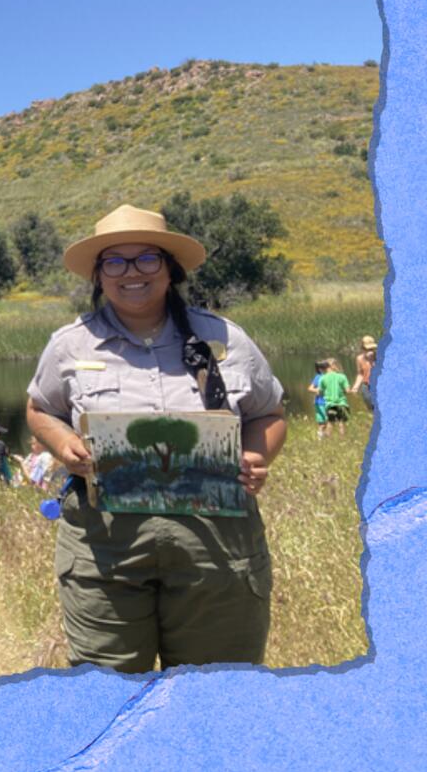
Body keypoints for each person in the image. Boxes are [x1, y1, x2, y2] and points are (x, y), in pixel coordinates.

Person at [26, 204, 285, 672]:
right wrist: (63, 446)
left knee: (216, 689)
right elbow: (41, 409)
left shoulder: (226, 337)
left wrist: (254, 453)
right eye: (115, 262)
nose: (132, 273)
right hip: (105, 550)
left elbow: (269, 412)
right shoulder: (69, 344)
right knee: (107, 694)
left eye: (147, 259)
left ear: (170, 269)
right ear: (99, 276)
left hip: (218, 547)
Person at [320, 358, 350, 436]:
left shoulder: (323, 378)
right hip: (342, 404)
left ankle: (328, 441)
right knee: (341, 423)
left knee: (330, 423)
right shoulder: (342, 377)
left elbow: (319, 391)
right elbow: (347, 390)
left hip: (330, 405)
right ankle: (342, 439)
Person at [352, 335, 378, 411]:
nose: (370, 351)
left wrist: (372, 360)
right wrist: (355, 387)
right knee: (369, 402)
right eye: (368, 349)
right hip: (366, 385)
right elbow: (360, 374)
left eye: (372, 349)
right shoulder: (359, 358)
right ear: (363, 349)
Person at [308, 359, 330, 440]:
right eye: (325, 367)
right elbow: (310, 388)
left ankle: (323, 438)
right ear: (320, 369)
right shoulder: (318, 377)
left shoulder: (329, 376)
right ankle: (322, 437)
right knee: (324, 421)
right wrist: (317, 390)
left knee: (326, 421)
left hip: (325, 402)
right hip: (321, 402)